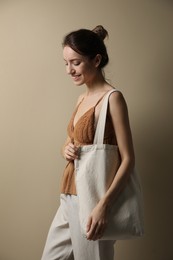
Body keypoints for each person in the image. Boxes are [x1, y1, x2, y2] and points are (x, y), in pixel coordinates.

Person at [41, 25, 135, 260]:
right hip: (69, 195)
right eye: (66, 63)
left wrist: (103, 206)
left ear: (96, 60)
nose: (69, 70)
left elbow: (128, 159)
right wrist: (66, 149)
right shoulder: (81, 98)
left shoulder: (113, 99)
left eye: (75, 62)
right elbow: (70, 141)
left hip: (93, 200)